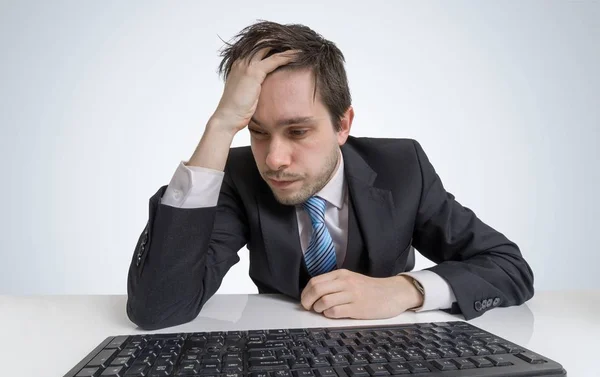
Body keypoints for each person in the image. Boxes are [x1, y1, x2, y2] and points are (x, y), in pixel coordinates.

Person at [126, 20, 534, 330]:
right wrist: (221, 125)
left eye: (298, 131)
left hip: (394, 356)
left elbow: (509, 267)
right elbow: (158, 306)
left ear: (343, 125)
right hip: (281, 365)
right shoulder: (238, 176)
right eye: (257, 132)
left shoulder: (402, 168)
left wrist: (406, 290)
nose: (274, 159)